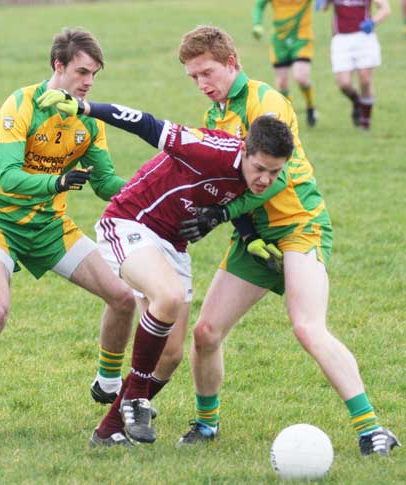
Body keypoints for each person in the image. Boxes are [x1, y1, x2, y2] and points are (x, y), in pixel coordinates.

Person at [174, 26, 400, 456]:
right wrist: (226, 223)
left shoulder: (268, 103)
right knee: (205, 332)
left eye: (207, 73)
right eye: (193, 77)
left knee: (307, 327)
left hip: (298, 226)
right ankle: (206, 425)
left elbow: (279, 179)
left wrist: (224, 214)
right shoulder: (215, 117)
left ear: (231, 64)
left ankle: (372, 429)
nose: (202, 84)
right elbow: (230, 185)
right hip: (256, 234)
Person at [37, 88, 295, 447]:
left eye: (274, 171)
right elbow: (146, 123)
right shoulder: (211, 149)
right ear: (245, 150)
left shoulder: (263, 178)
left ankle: (108, 429)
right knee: (169, 295)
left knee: (170, 355)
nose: (266, 178)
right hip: (130, 222)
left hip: (173, 246)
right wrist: (85, 106)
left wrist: (248, 235)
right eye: (260, 168)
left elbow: (237, 204)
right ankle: (135, 399)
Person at [0, 28, 136, 450]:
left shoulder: (87, 118)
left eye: (94, 74)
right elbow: (7, 175)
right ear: (58, 66)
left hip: (49, 226)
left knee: (124, 298)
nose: (89, 82)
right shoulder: (19, 104)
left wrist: (147, 191)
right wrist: (57, 181)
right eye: (81, 71)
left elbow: (105, 181)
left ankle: (107, 381)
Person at [318, 0, 391, 129]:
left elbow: (385, 9)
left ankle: (365, 122)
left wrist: (372, 22)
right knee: (343, 84)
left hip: (364, 37)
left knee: (365, 80)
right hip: (341, 39)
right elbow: (322, 8)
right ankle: (357, 102)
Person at [252, 0, 318, 126]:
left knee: (301, 78)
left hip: (301, 38)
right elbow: (259, 5)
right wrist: (257, 24)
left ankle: (310, 105)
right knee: (282, 83)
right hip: (279, 41)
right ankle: (290, 116)